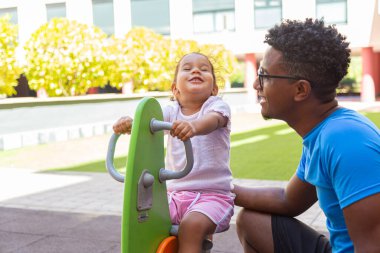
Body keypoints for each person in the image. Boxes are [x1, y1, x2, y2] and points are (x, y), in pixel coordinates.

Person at [233, 18, 380, 253]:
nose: (254, 84)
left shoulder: (345, 140)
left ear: (300, 90)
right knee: (252, 221)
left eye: (264, 75)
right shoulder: (322, 133)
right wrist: (217, 188)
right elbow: (288, 200)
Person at [113, 52, 234, 253]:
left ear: (214, 88)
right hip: (175, 195)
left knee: (192, 226)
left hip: (213, 195)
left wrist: (193, 126)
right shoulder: (171, 111)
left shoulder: (216, 107)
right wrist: (130, 124)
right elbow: (147, 124)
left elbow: (213, 121)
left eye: (204, 69)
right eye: (187, 69)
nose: (196, 70)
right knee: (145, 220)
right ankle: (198, 244)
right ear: (175, 88)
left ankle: (198, 240)